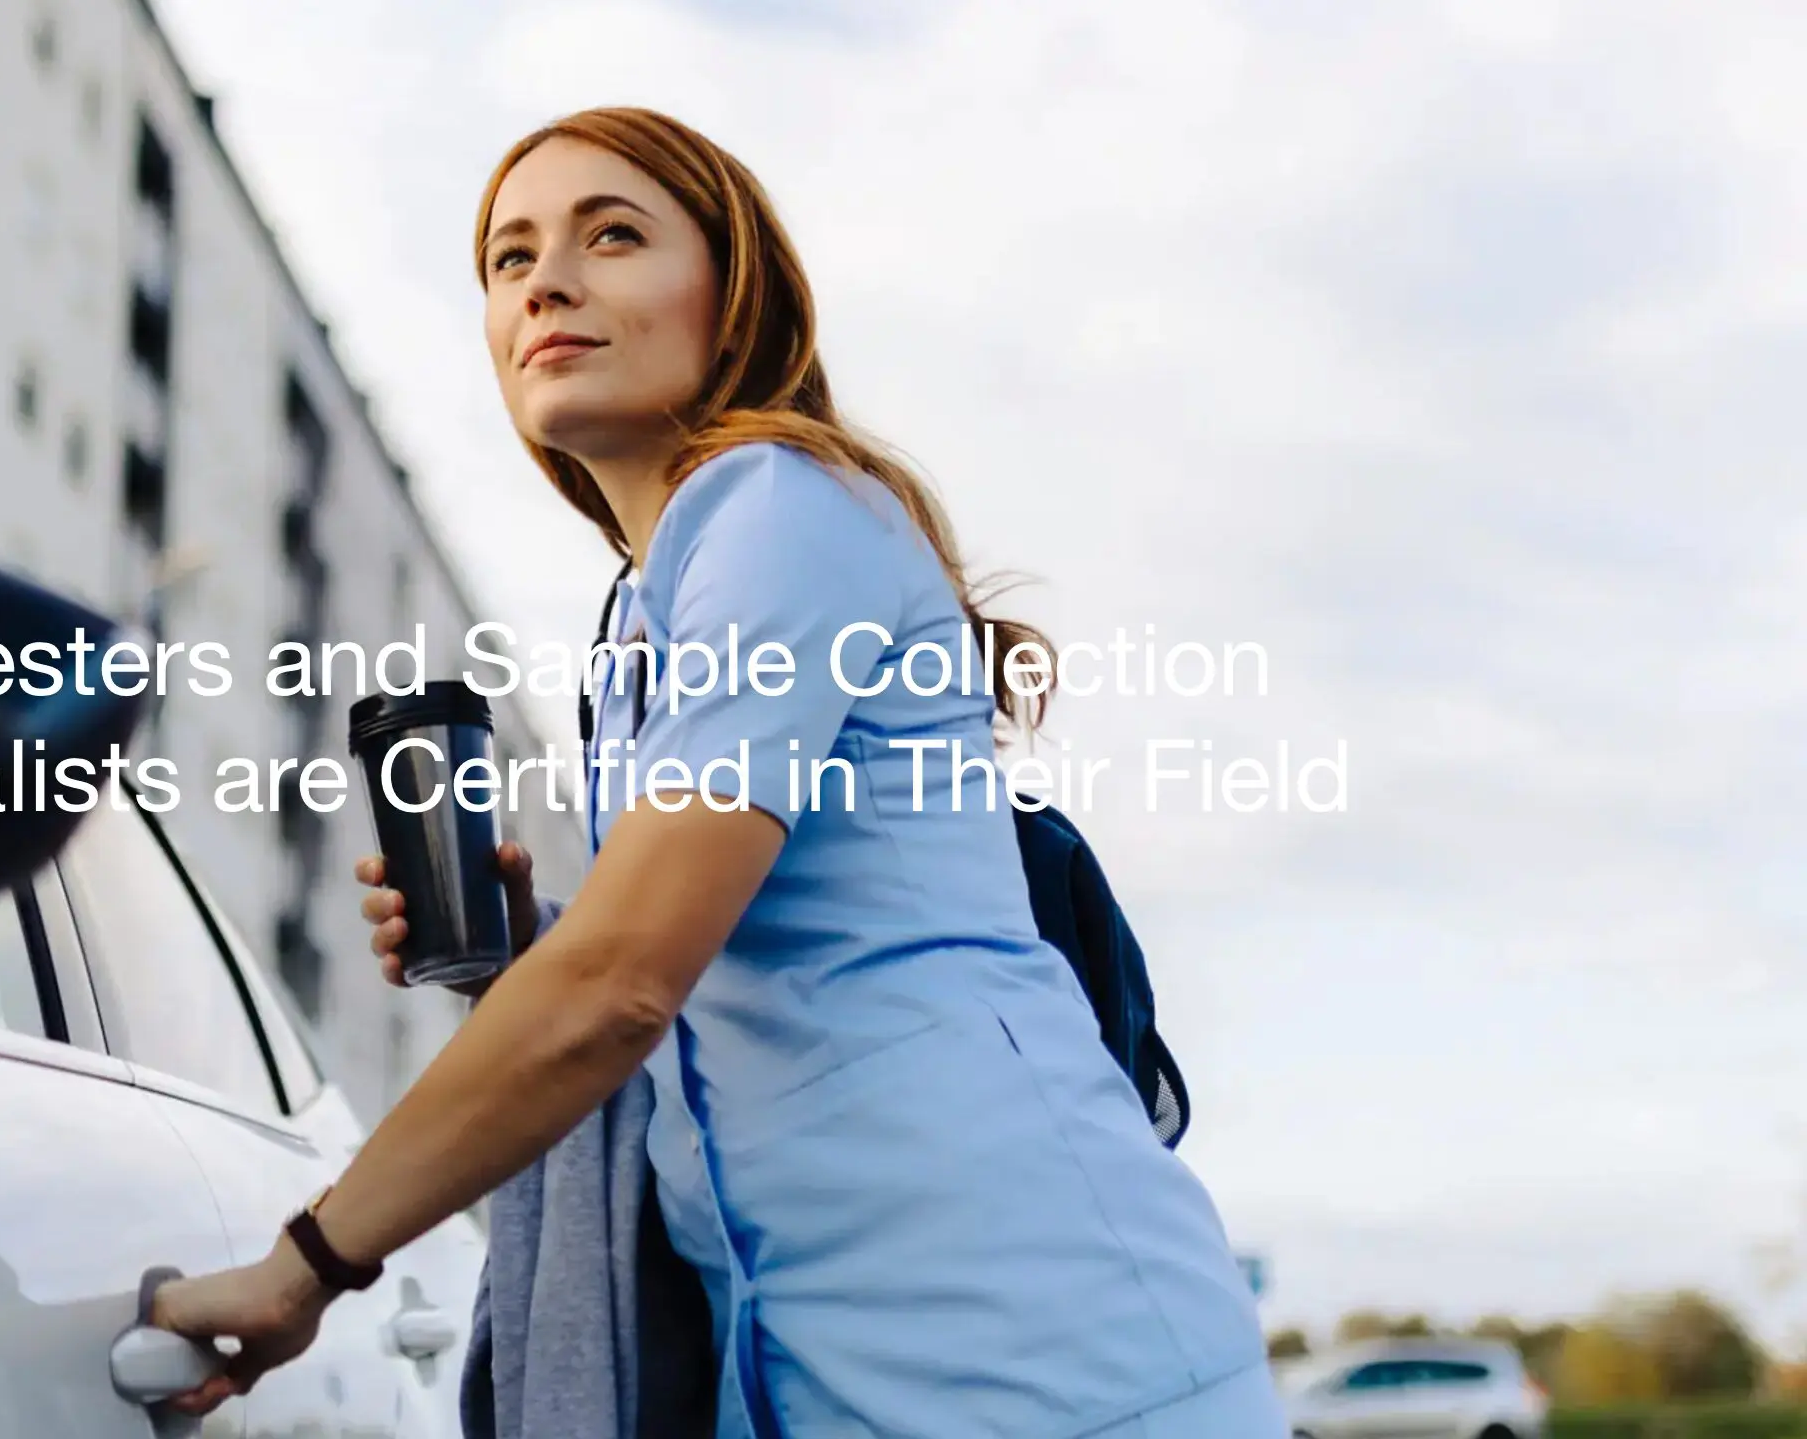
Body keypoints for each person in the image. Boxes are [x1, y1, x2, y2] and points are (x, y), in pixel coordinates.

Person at [150, 106, 1285, 1437]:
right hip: (819, 1383)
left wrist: (307, 1265)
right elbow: (694, 978)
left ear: (733, 293)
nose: (545, 282)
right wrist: (533, 949)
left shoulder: (779, 504)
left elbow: (622, 986)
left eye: (611, 236)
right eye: (510, 259)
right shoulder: (644, 616)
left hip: (1051, 1363)